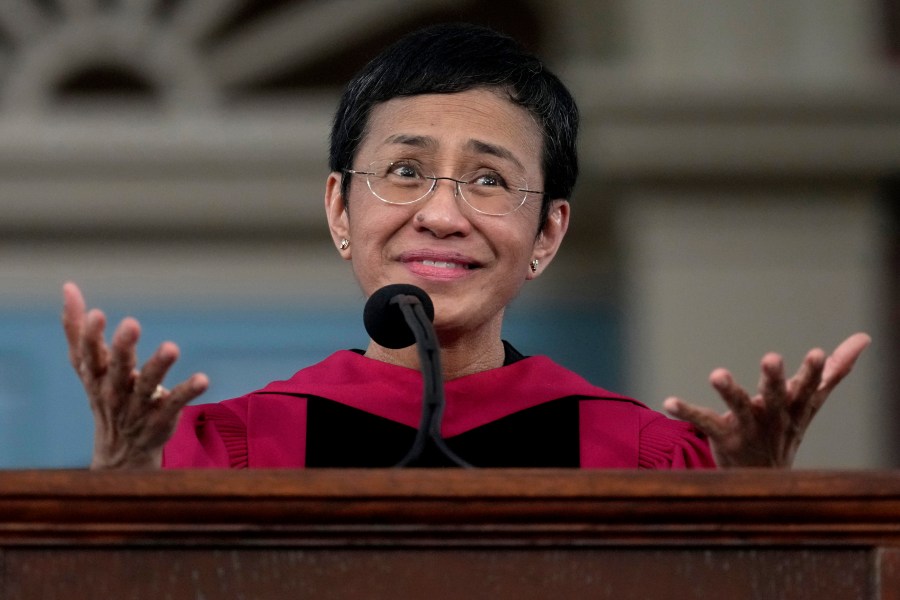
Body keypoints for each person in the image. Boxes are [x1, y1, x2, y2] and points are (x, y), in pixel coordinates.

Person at [62, 23, 870, 470]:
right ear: (341, 208)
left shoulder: (642, 456)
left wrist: (757, 505)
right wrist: (123, 483)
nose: (443, 216)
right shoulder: (236, 449)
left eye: (488, 181)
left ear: (547, 232)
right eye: (406, 171)